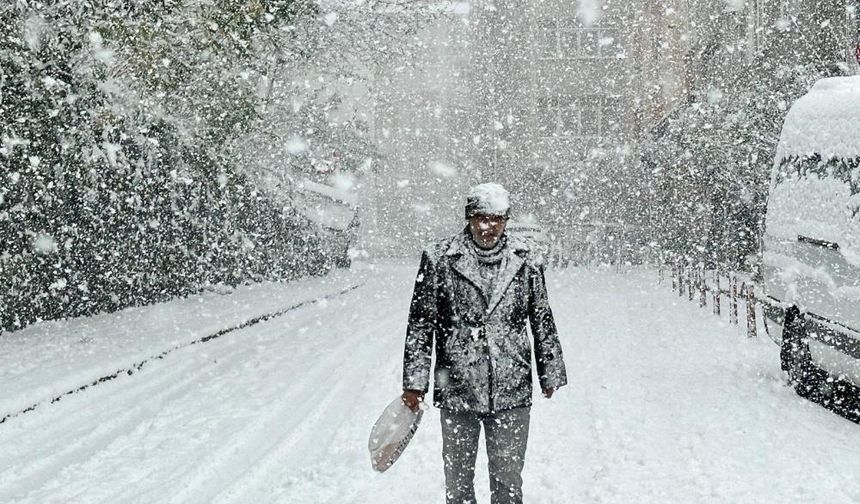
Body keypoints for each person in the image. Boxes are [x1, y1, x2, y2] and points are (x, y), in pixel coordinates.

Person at [401, 183, 568, 504]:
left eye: (496, 219)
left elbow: (542, 315)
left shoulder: (527, 259)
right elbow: (420, 323)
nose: (487, 226)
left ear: (506, 220)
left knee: (507, 483)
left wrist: (551, 371)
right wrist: (414, 383)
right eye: (480, 218)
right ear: (468, 218)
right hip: (457, 389)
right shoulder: (439, 258)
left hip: (511, 388)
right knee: (458, 484)